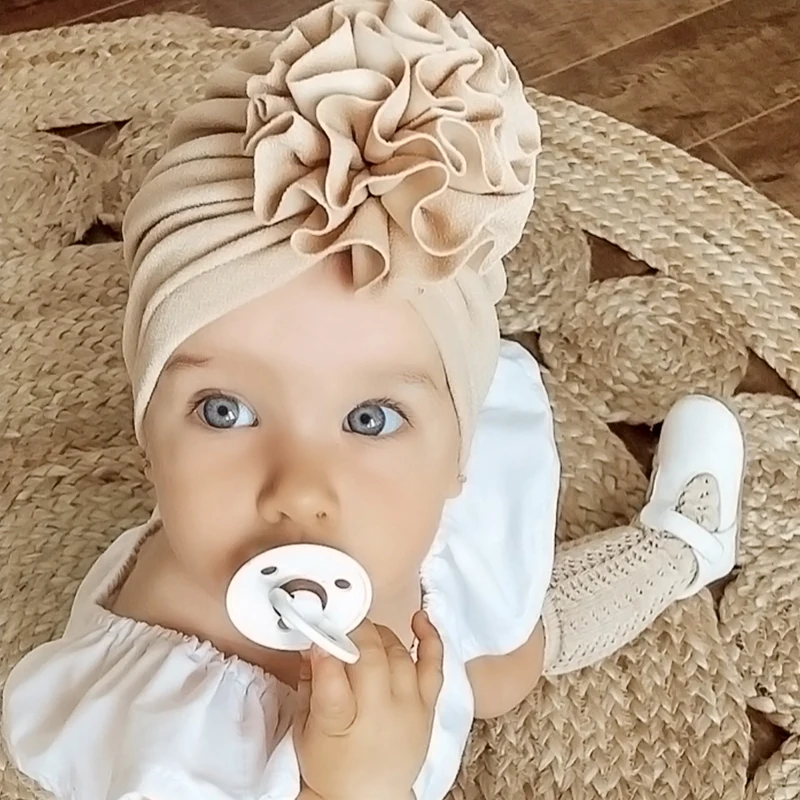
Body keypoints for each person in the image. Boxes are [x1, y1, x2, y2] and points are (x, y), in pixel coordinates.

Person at [1, 1, 746, 799]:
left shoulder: (380, 516)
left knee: (503, 665)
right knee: (489, 679)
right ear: (149, 428)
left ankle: (677, 550)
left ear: (457, 453)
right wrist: (351, 788)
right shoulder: (158, 733)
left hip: (420, 602)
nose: (300, 491)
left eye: (370, 418)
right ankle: (683, 548)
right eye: (224, 410)